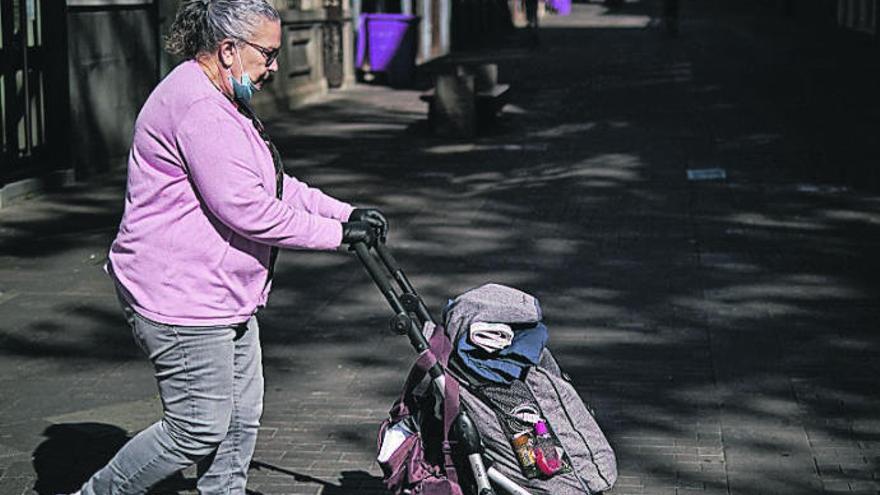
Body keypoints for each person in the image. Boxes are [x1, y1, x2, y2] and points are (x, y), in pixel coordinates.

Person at [73, 1, 386, 493]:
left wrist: (343, 212)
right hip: (180, 297)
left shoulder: (221, 98)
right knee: (196, 427)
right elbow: (248, 210)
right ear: (227, 51)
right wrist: (337, 235)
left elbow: (272, 184)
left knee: (240, 418)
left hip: (221, 293)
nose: (275, 66)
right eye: (268, 54)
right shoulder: (200, 109)